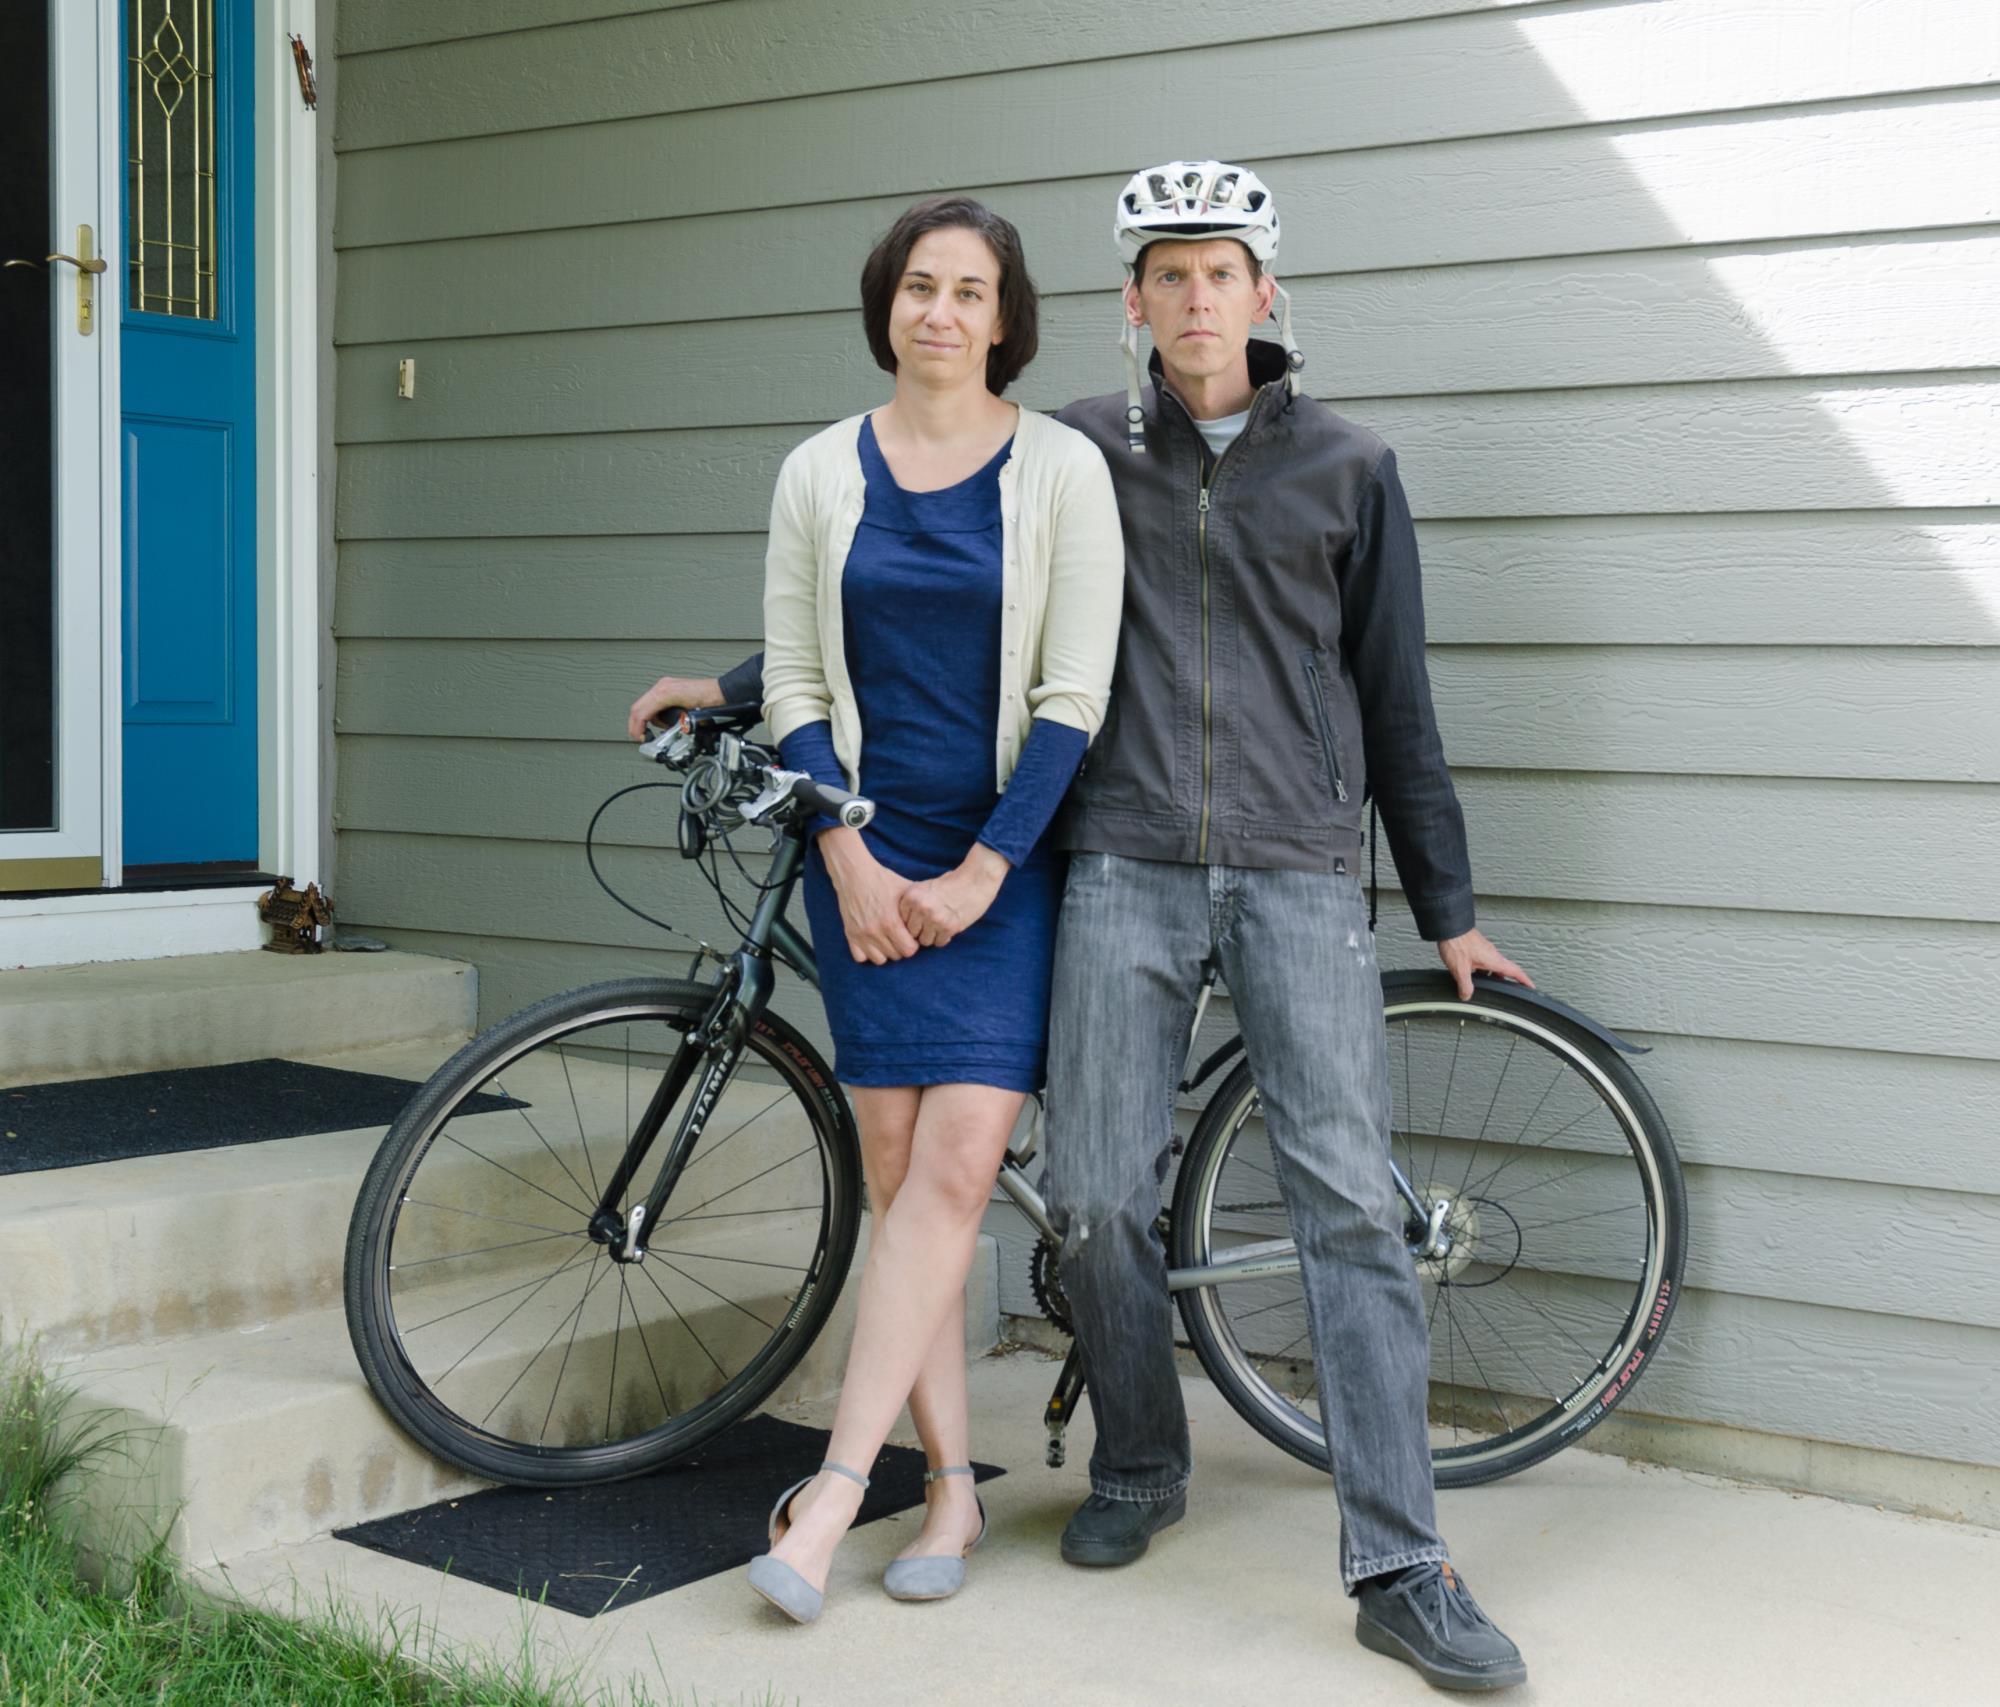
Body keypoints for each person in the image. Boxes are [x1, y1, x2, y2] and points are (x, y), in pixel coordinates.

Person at [631, 161, 1530, 1690]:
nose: (1195, 301)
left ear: (1265, 293)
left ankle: (1399, 1563)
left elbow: (1399, 703)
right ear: (1131, 301)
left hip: (1302, 862)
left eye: (1220, 273)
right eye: (1167, 275)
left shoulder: (1350, 468)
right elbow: (917, 590)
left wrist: (1446, 907)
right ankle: (1139, 1460)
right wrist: (734, 689)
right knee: (1102, 1193)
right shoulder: (1078, 454)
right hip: (1115, 857)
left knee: (1348, 1209)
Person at [696, 196, 1122, 1624]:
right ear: (887, 306)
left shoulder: (1062, 470)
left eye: (969, 291)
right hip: (866, 858)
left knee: (947, 1178)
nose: (941, 311)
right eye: (918, 286)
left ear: (1007, 319)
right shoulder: (821, 470)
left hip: (1005, 862)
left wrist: (985, 870)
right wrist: (852, 862)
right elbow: (799, 683)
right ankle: (950, 1485)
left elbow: (1072, 697)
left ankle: (828, 1495)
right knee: (899, 1181)